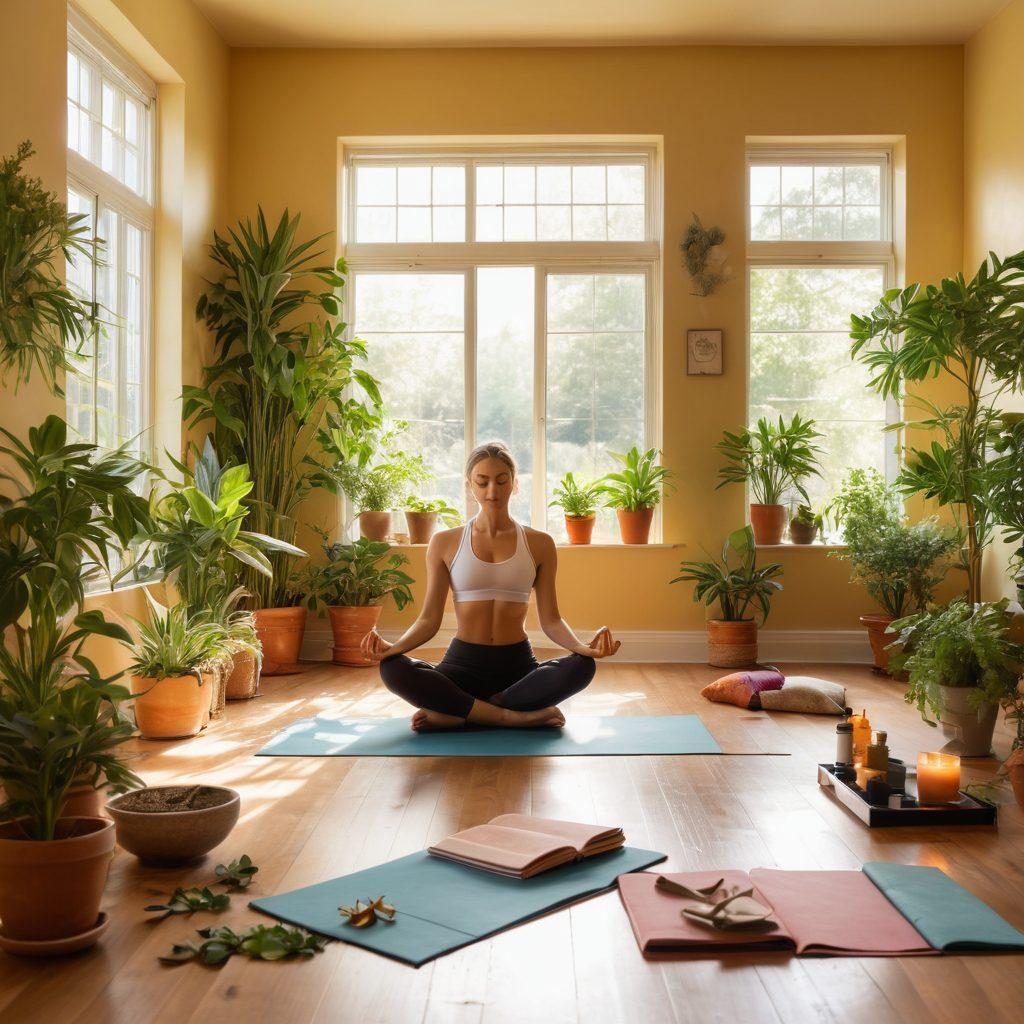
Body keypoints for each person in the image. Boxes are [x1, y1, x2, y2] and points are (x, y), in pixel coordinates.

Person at [361, 440, 621, 731]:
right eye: (482, 482)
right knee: (392, 668)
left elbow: (551, 619)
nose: (492, 492)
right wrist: (392, 648)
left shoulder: (540, 544)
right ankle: (511, 716)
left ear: (515, 484)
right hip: (462, 665)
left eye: (501, 481)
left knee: (582, 667)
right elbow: (429, 620)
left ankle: (461, 712)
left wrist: (583, 649)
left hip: (519, 668)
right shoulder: (445, 542)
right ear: (469, 485)